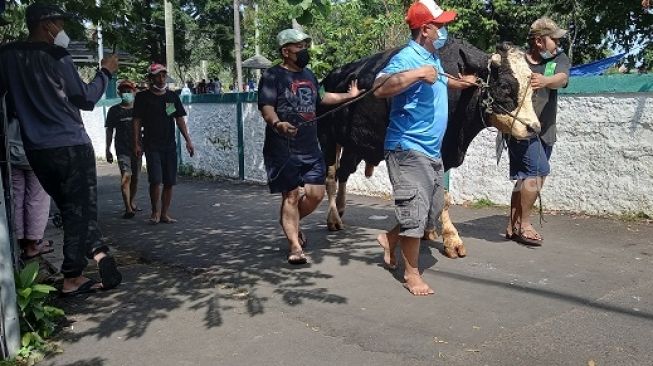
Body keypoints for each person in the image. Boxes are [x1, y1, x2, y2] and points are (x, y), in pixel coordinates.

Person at [0, 3, 122, 295]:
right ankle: (72, 276)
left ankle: (99, 252)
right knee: (81, 209)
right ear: (45, 25)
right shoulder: (57, 56)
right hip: (70, 144)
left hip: (36, 150)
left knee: (69, 206)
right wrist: (105, 72)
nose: (61, 29)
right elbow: (86, 98)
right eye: (58, 22)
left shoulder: (6, 57)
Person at [372, 0, 475, 296]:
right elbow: (379, 87)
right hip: (407, 148)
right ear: (426, 29)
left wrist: (462, 82)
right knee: (415, 213)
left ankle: (391, 239)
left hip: (430, 150)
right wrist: (417, 74)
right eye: (440, 25)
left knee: (431, 211)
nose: (444, 30)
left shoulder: (432, 57)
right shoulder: (408, 57)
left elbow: (439, 80)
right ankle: (412, 274)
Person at [258, 29, 363, 265]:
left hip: (309, 147)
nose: (303, 50)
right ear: (286, 51)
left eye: (305, 46)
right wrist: (278, 123)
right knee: (292, 195)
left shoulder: (310, 75)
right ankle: (295, 246)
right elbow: (266, 107)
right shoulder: (272, 76)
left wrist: (349, 95)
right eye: (298, 46)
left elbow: (322, 98)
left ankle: (290, 220)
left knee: (316, 195)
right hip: (282, 147)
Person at [505, 17, 570, 247]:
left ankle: (512, 224)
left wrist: (545, 80)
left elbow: (562, 79)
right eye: (554, 39)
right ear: (540, 41)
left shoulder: (559, 58)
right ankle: (525, 224)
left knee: (528, 177)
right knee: (537, 172)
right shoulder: (517, 61)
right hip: (522, 128)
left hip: (546, 128)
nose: (558, 43)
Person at [132, 64, 195, 224]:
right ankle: (155, 212)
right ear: (151, 78)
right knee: (155, 180)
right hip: (151, 145)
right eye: (158, 76)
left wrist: (188, 140)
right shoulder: (142, 97)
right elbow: (137, 121)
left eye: (163, 76)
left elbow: (178, 118)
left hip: (169, 145)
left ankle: (164, 214)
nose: (161, 79)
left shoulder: (171, 97)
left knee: (169, 181)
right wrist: (137, 142)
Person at [8, 117, 53, 262]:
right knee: (37, 198)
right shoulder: (33, 96)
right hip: (35, 151)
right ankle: (33, 244)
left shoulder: (7, 98)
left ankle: (19, 241)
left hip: (11, 152)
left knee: (16, 197)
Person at [105, 80, 142, 219]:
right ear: (119, 93)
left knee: (136, 178)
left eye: (129, 91)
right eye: (124, 91)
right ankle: (128, 208)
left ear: (134, 92)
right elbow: (109, 131)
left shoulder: (139, 109)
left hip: (137, 148)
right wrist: (107, 149)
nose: (127, 93)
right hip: (121, 149)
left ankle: (132, 201)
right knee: (126, 176)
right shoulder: (114, 110)